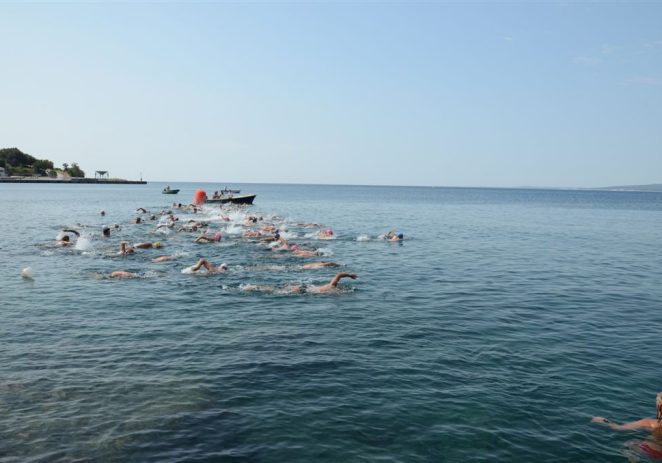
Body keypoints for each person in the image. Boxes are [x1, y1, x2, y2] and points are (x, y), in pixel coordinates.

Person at [592, 392, 662, 431]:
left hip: (653, 451)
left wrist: (603, 420)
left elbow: (618, 428)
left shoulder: (650, 423)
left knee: (630, 445)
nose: (657, 393)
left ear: (659, 407)